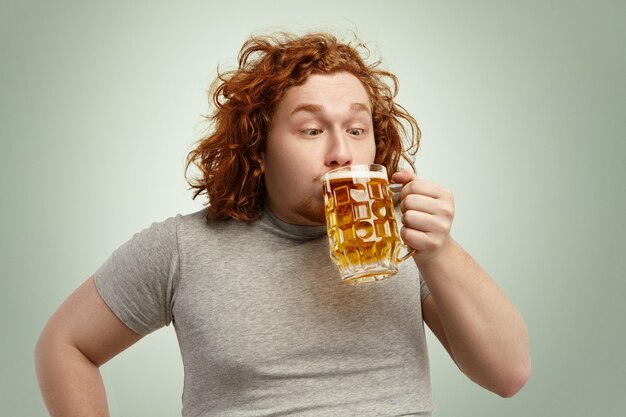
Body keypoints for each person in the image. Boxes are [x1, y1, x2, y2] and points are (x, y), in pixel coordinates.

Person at [35, 31, 530, 417]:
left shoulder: (408, 240)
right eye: (312, 130)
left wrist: (440, 252)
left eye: (357, 130)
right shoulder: (179, 248)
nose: (341, 153)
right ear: (259, 149)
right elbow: (66, 345)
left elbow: (508, 374)